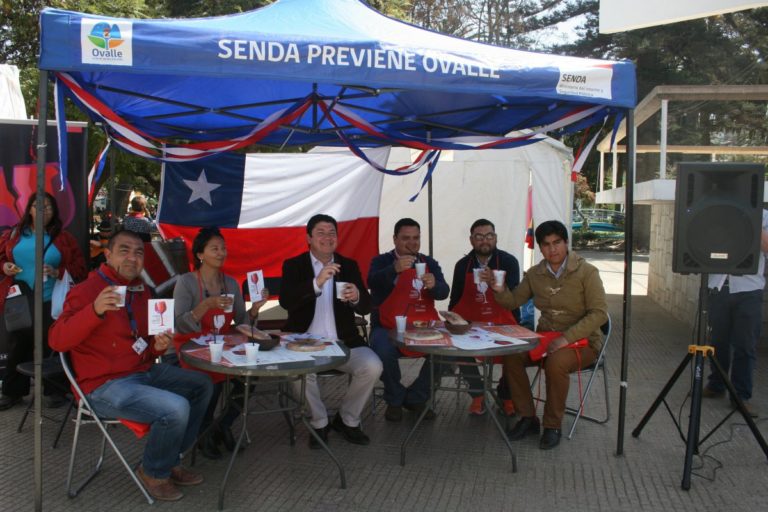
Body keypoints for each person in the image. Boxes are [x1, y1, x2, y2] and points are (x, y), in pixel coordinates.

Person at [49, 229, 213, 501]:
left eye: (138, 252)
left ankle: (170, 458)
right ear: (108, 254)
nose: (132, 258)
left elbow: (146, 343)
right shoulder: (86, 291)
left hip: (141, 372)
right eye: (124, 250)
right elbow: (56, 341)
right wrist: (94, 310)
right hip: (101, 386)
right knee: (176, 407)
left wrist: (157, 346)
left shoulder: (143, 290)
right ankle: (153, 471)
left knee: (201, 384)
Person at [491, 220, 607, 450]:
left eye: (557, 243)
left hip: (582, 343)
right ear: (540, 248)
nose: (552, 249)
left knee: (555, 364)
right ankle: (527, 418)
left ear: (566, 243)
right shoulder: (536, 274)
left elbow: (599, 314)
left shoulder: (587, 272)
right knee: (511, 355)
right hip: (545, 339)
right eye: (546, 245)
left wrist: (565, 339)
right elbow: (513, 301)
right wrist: (500, 290)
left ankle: (552, 425)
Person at [280, 214, 382, 448]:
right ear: (309, 238)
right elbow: (286, 301)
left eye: (332, 233)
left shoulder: (349, 265)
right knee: (299, 374)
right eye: (321, 233)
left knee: (373, 366)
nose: (327, 238)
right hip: (303, 343)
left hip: (344, 342)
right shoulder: (294, 265)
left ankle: (348, 420)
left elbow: (367, 305)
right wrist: (316, 282)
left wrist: (357, 296)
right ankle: (320, 422)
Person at [173, 227, 269, 459]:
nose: (221, 252)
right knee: (210, 381)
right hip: (191, 347)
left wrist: (255, 309)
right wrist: (206, 305)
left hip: (223, 346)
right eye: (214, 248)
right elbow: (178, 324)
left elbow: (242, 322)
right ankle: (203, 433)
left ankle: (222, 425)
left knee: (249, 378)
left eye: (223, 248)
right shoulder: (186, 282)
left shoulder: (231, 283)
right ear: (200, 254)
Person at [0, 193, 88, 410]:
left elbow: (80, 268)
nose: (43, 210)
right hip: (20, 296)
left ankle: (54, 390)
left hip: (53, 298)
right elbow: (1, 258)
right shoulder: (14, 234)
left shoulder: (64, 237)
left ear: (55, 211)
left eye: (48, 206)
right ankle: (13, 392)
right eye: (38, 206)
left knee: (53, 344)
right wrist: (4, 267)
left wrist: (59, 271)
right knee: (18, 344)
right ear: (29, 209)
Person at [368, 218, 450, 422]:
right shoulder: (382, 261)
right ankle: (395, 399)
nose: (412, 243)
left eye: (416, 238)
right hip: (388, 325)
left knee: (447, 353)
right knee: (383, 351)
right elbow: (371, 283)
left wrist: (435, 285)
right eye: (406, 238)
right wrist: (393, 270)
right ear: (395, 239)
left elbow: (444, 292)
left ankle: (416, 397)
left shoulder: (428, 262)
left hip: (424, 326)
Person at [448, 218, 520, 416]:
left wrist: (497, 284)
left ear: (495, 238)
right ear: (471, 240)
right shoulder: (462, 265)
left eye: (489, 236)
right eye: (479, 237)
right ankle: (477, 394)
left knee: (514, 352)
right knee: (458, 347)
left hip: (502, 321)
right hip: (472, 321)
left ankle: (506, 396)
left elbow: (515, 297)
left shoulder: (509, 261)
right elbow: (455, 299)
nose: (484, 241)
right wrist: (453, 319)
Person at [702, 209, 768, 418]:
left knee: (745, 345)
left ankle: (741, 396)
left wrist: (750, 219)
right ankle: (717, 384)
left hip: (749, 289)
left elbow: (766, 246)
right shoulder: (715, 211)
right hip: (718, 286)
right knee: (717, 341)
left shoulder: (764, 216)